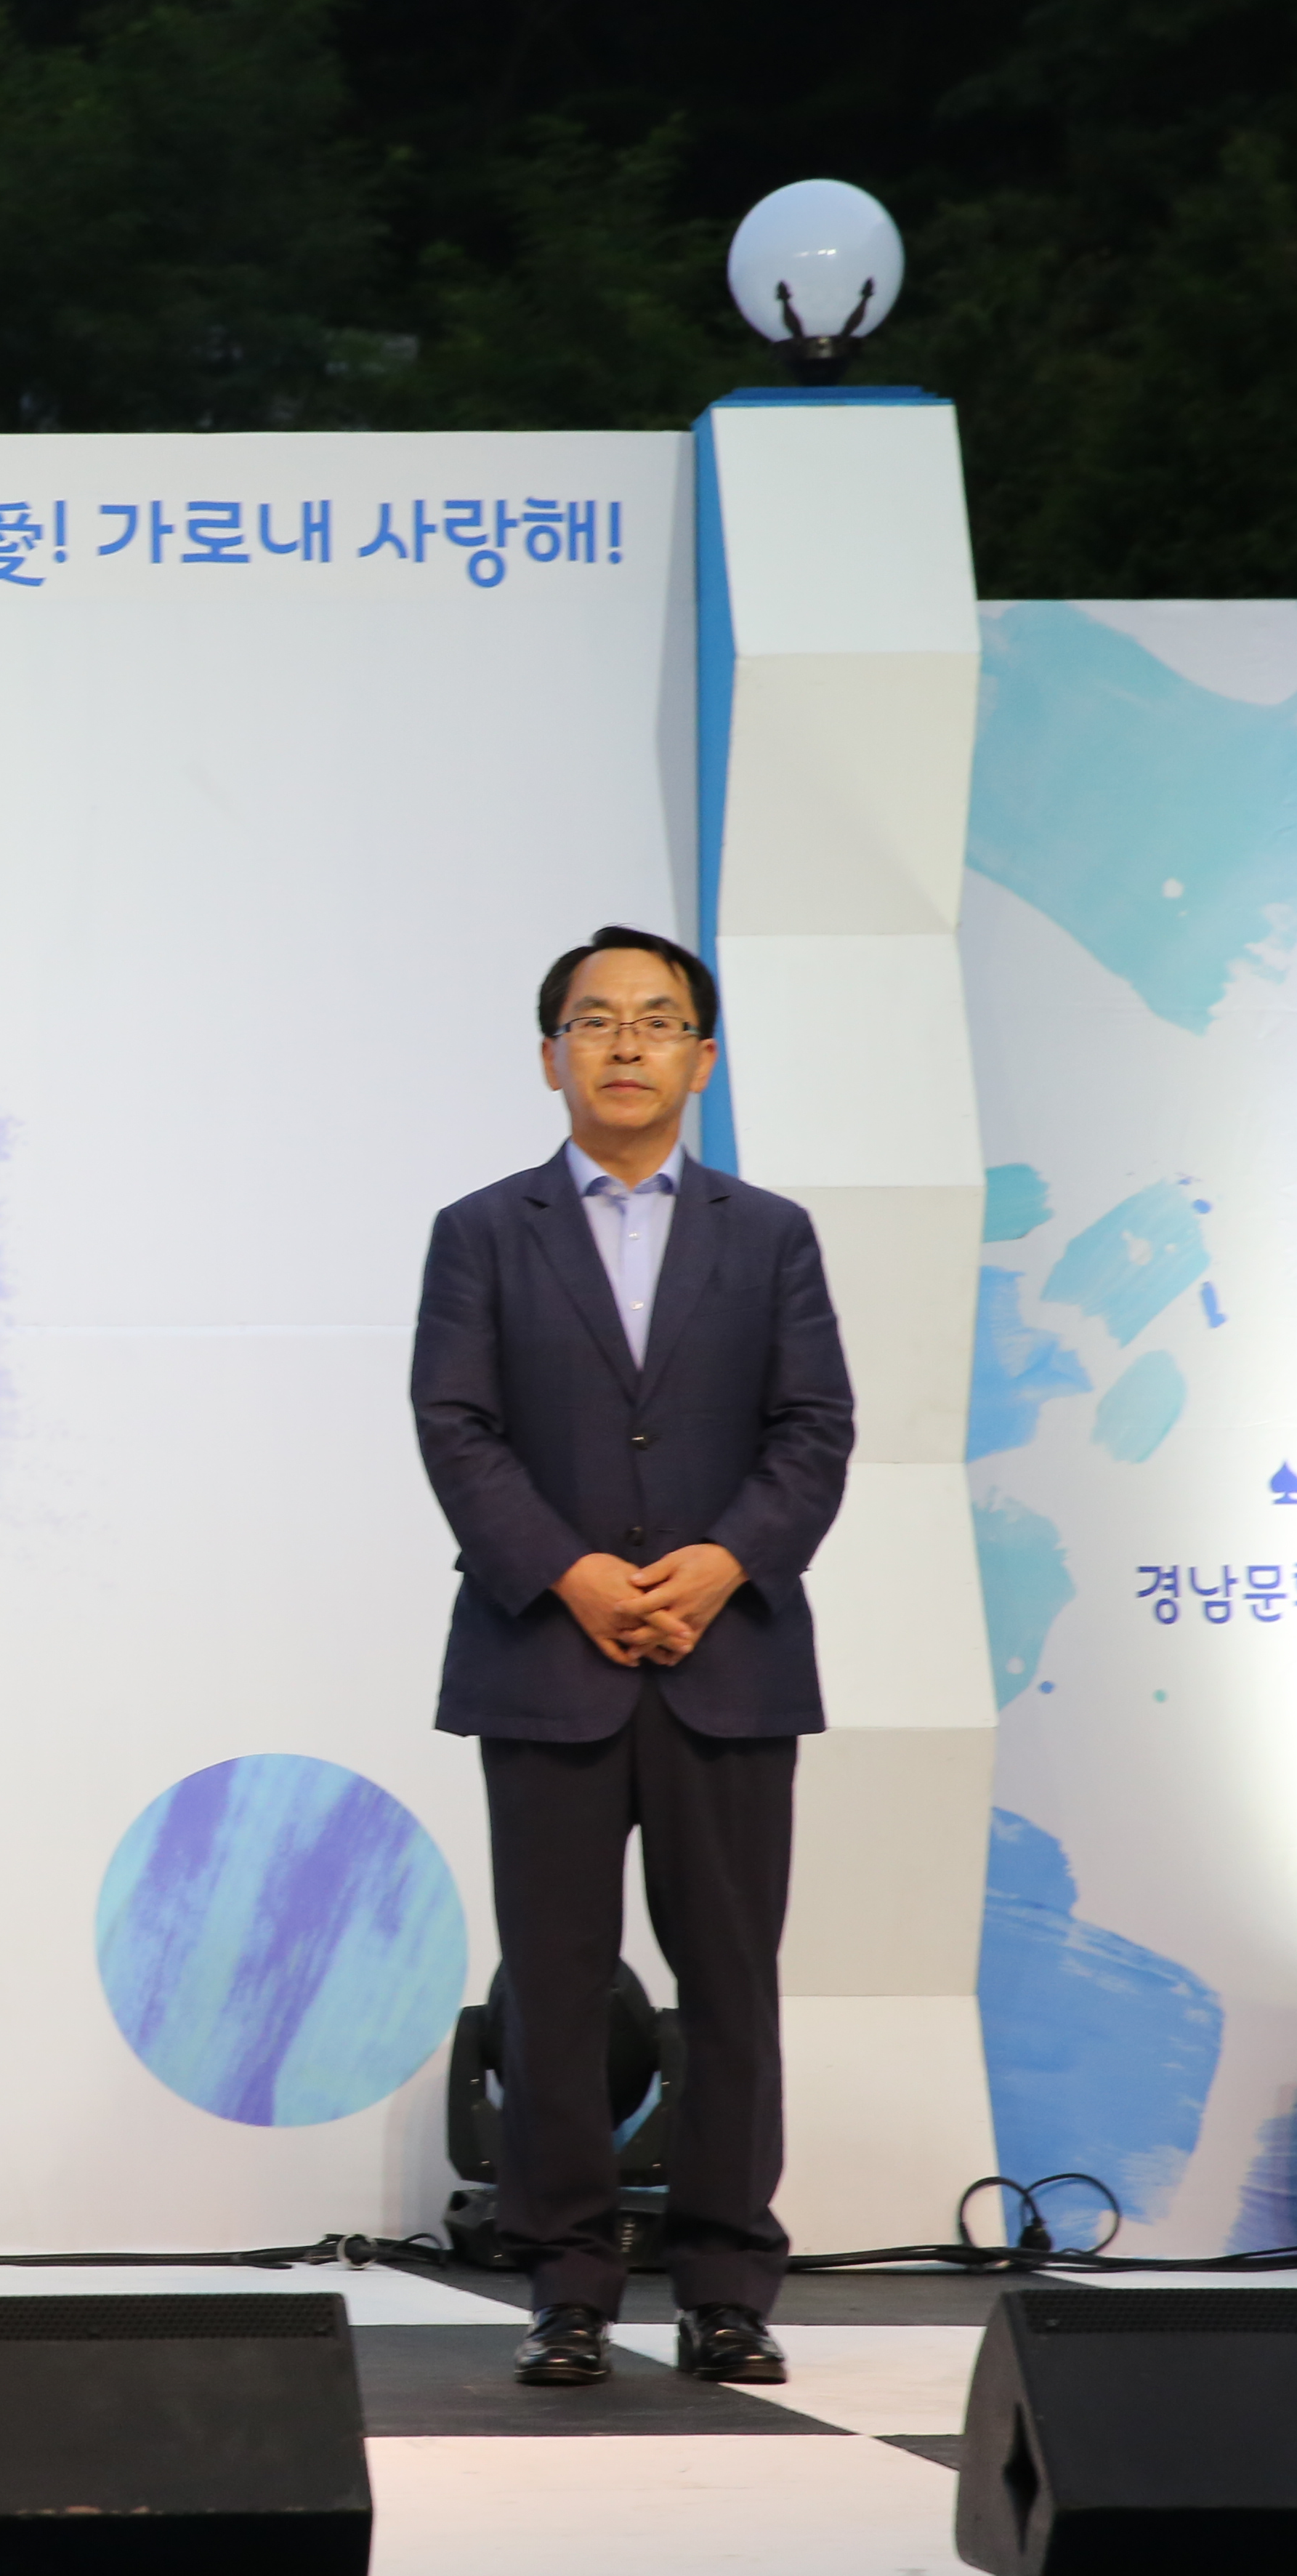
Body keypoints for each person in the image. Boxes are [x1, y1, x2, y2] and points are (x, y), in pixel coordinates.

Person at [411, 926, 854, 2388]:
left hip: (728, 1664)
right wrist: (578, 1575)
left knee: (731, 1980)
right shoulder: (481, 1231)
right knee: (554, 1987)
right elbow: (457, 1430)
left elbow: (815, 1431)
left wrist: (722, 1567)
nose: (623, 1045)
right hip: (546, 1661)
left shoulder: (770, 1233)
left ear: (702, 1060)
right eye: (593, 1022)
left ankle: (729, 2282)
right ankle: (569, 2282)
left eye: (656, 1022)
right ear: (550, 1055)